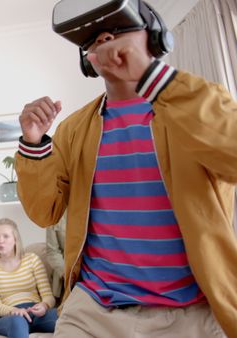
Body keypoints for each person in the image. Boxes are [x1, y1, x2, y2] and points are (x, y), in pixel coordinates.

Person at [15, 1, 237, 336]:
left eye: (120, 27)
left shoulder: (195, 107)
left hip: (195, 311)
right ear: (86, 58)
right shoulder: (74, 129)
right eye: (94, 37)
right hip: (94, 311)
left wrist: (150, 76)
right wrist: (33, 144)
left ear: (155, 37)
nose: (106, 38)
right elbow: (44, 211)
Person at [0, 218, 57, 338]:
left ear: (15, 239)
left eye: (6, 236)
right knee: (18, 321)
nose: (0, 241)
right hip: (10, 317)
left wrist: (44, 305)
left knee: (60, 316)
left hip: (35, 313)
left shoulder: (32, 259)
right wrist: (14, 310)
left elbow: (48, 296)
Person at [45, 213, 66, 300]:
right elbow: (52, 252)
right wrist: (66, 273)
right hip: (65, 277)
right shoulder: (55, 214)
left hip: (91, 275)